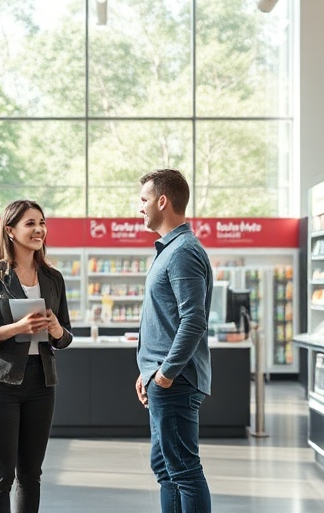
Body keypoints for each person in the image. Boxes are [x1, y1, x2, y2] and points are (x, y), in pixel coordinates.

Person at [0, 199, 74, 513]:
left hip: (43, 382)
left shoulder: (53, 278)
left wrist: (55, 331)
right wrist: (15, 328)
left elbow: (66, 335)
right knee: (1, 476)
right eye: (30, 223)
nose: (39, 229)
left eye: (42, 222)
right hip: (0, 384)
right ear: (10, 231)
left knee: (31, 474)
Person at [133, 169, 214, 513]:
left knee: (183, 469)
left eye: (144, 200)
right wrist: (148, 371)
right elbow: (167, 321)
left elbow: (193, 320)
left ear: (162, 201)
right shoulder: (170, 250)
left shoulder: (182, 251)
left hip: (175, 382)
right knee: (166, 469)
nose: (140, 208)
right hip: (162, 379)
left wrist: (164, 373)